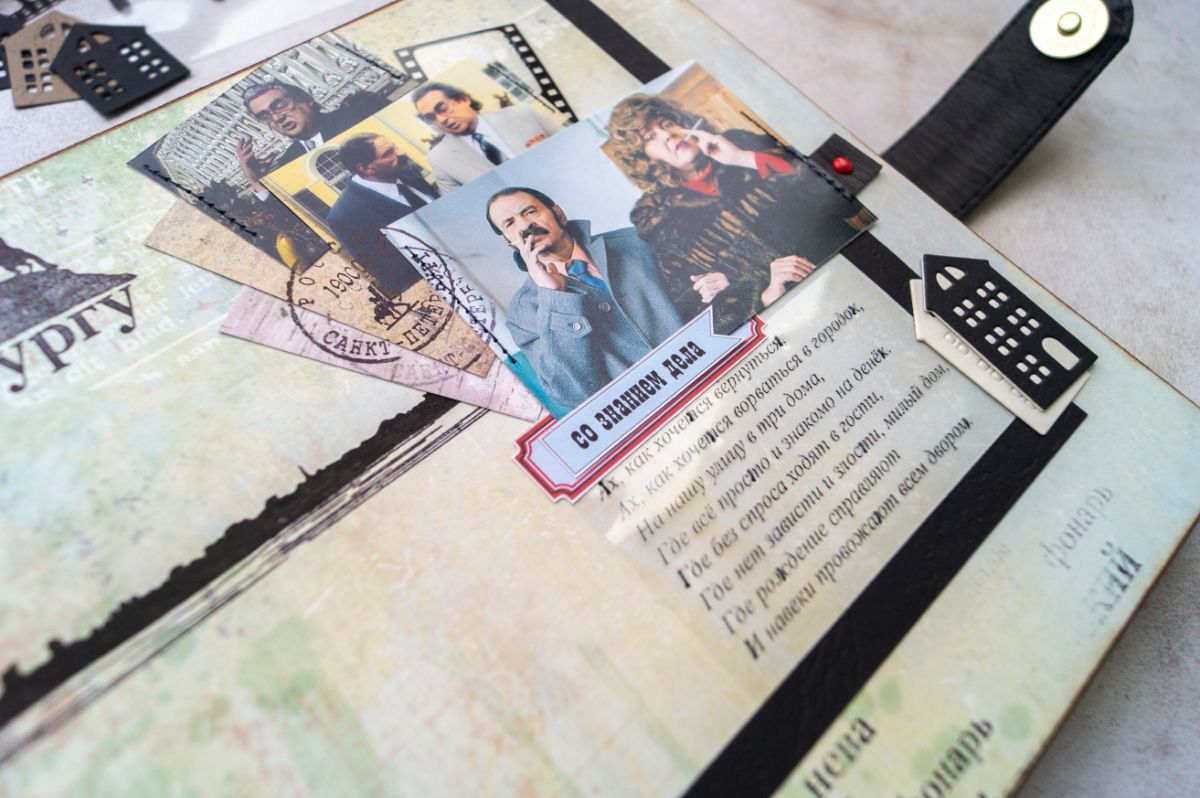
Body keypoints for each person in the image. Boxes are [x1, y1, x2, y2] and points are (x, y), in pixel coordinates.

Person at [605, 94, 871, 333]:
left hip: (851, 264)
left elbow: (838, 200)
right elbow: (701, 310)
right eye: (650, 138)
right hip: (788, 322)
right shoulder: (657, 219)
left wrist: (743, 158)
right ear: (643, 156)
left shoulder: (739, 142)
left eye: (666, 123)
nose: (667, 135)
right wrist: (766, 295)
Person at [486, 187, 683, 408]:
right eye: (510, 223)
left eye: (530, 211)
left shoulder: (635, 241)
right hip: (652, 410)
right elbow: (572, 393)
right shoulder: (523, 314)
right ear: (508, 241)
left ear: (558, 214)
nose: (524, 225)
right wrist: (554, 297)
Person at [325, 133, 442, 298]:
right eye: (389, 153)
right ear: (366, 168)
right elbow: (393, 275)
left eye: (394, 146)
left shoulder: (408, 172)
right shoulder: (345, 216)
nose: (401, 153)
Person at [235, 81, 389, 199]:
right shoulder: (288, 163)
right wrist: (255, 181)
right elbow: (295, 215)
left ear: (306, 99)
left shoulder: (357, 117)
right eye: (265, 115)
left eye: (280, 105)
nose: (277, 118)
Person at [414, 82, 564, 194]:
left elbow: (571, 146)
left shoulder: (523, 114)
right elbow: (462, 207)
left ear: (463, 99)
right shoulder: (440, 159)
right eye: (431, 117)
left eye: (442, 108)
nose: (441, 119)